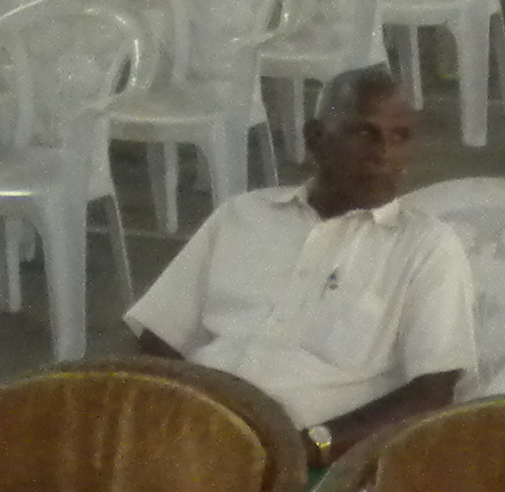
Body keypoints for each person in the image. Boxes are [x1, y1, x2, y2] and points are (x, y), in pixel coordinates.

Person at [124, 65, 473, 464]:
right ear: (316, 139)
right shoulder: (243, 216)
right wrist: (183, 413)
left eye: (401, 137)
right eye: (364, 133)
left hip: (309, 456)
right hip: (195, 431)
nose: (383, 154)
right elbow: (158, 336)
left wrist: (309, 446)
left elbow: (433, 392)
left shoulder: (426, 247)